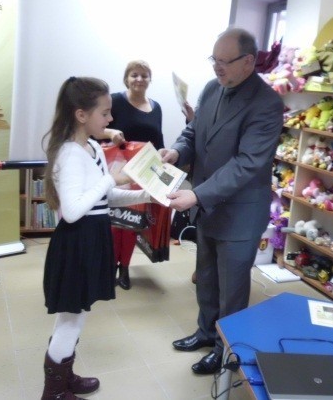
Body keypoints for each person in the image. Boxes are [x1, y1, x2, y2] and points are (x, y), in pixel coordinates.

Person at [161, 28, 283, 375]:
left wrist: (197, 194)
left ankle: (225, 349)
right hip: (208, 205)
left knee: (232, 289)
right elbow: (193, 132)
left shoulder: (267, 103)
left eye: (224, 62)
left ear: (248, 62)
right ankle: (204, 331)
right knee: (207, 276)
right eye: (213, 60)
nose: (217, 68)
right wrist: (176, 151)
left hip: (239, 213)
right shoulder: (213, 88)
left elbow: (247, 163)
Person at [40, 76, 151, 400]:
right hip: (77, 242)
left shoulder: (91, 147)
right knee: (70, 320)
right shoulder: (69, 154)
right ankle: (54, 391)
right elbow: (73, 210)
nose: (111, 119)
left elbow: (106, 197)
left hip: (92, 238)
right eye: (105, 112)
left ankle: (65, 376)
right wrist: (108, 181)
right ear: (81, 115)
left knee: (77, 316)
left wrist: (148, 194)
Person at [97, 60, 164, 290]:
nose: (139, 79)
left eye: (144, 75)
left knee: (132, 223)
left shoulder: (156, 107)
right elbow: (95, 129)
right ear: (126, 78)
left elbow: (159, 143)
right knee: (113, 223)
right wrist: (110, 132)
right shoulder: (114, 101)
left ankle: (124, 268)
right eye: (134, 75)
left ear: (150, 80)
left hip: (141, 172)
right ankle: (107, 268)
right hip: (115, 171)